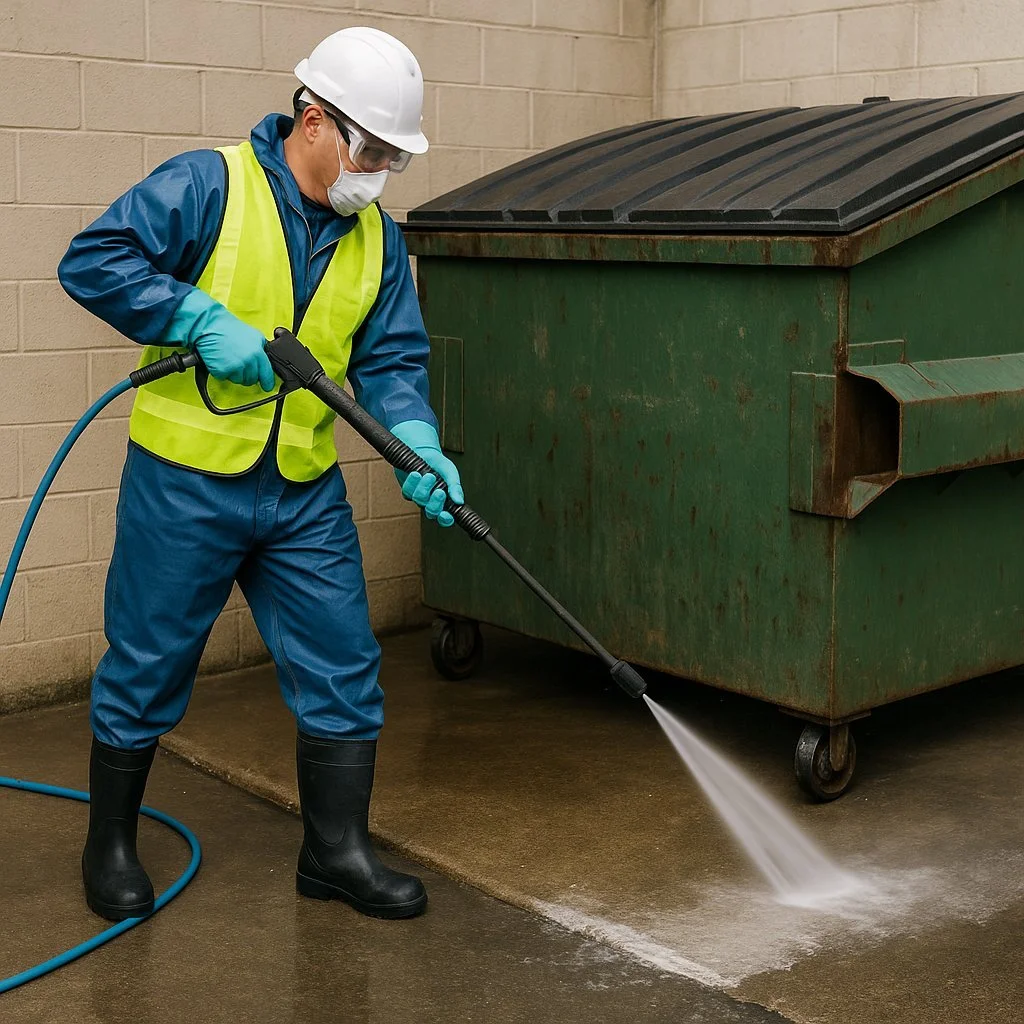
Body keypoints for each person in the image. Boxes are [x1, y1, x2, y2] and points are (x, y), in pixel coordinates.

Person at [57, 27, 460, 922]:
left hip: (302, 493)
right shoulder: (209, 186)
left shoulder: (377, 241)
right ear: (313, 120)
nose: (382, 171)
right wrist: (196, 317)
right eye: (373, 149)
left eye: (396, 155)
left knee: (345, 667)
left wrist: (417, 442)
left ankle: (335, 854)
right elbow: (93, 259)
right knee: (148, 664)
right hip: (186, 483)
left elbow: (391, 357)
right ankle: (110, 846)